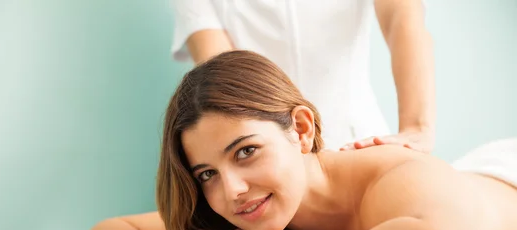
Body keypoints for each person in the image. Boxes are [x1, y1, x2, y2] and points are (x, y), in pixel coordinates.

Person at [70, 51, 517, 230]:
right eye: (206, 173)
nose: (231, 191)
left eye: (246, 152)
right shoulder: (255, 204)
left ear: (301, 130)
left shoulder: (396, 174)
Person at [170, 0, 435, 153]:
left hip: (362, 141)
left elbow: (402, 18)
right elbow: (224, 78)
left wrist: (416, 128)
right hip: (266, 154)